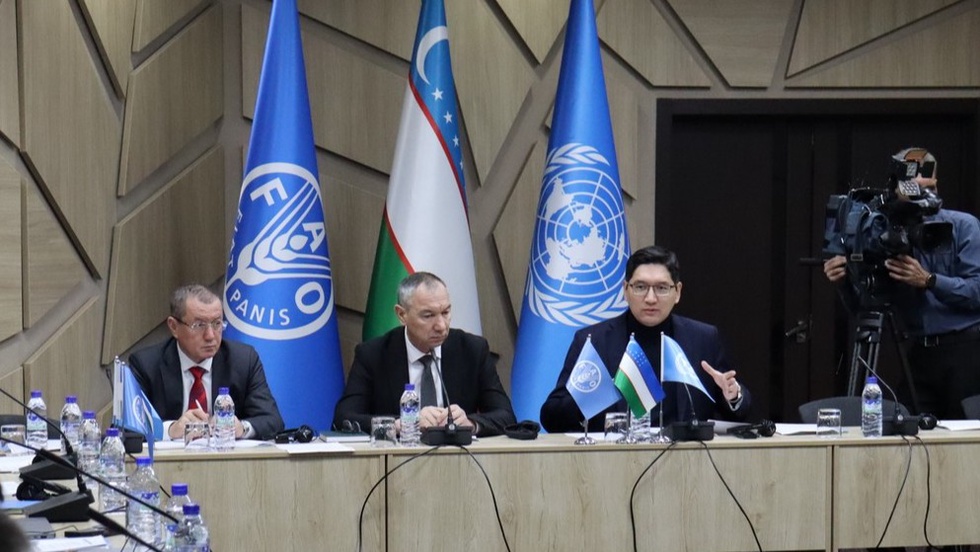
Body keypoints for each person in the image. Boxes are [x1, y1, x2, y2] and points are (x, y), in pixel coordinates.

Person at [823, 147, 980, 419]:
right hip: (919, 353)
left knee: (966, 434)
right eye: (914, 187)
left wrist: (929, 280)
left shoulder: (963, 226)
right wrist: (844, 281)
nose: (925, 195)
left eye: (929, 186)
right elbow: (865, 308)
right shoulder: (881, 234)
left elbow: (977, 291)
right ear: (896, 188)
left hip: (964, 351)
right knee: (907, 427)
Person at [540, 245, 752, 432]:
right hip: (612, 458)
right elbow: (551, 418)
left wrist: (733, 396)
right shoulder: (594, 341)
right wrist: (585, 398)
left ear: (677, 292)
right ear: (626, 290)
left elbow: (739, 412)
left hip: (685, 458)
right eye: (640, 287)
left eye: (661, 288)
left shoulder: (703, 339)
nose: (650, 298)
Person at [333, 272, 516, 437]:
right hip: (396, 459)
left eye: (445, 312)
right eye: (428, 316)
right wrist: (401, 424)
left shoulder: (472, 350)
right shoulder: (373, 354)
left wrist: (471, 423)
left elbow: (506, 416)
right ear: (402, 315)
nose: (441, 326)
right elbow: (344, 418)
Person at [129, 284, 285, 440]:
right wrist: (169, 430)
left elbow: (272, 420)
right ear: (174, 327)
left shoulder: (243, 360)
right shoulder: (146, 365)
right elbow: (129, 429)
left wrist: (241, 428)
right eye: (199, 325)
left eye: (217, 324)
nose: (210, 336)